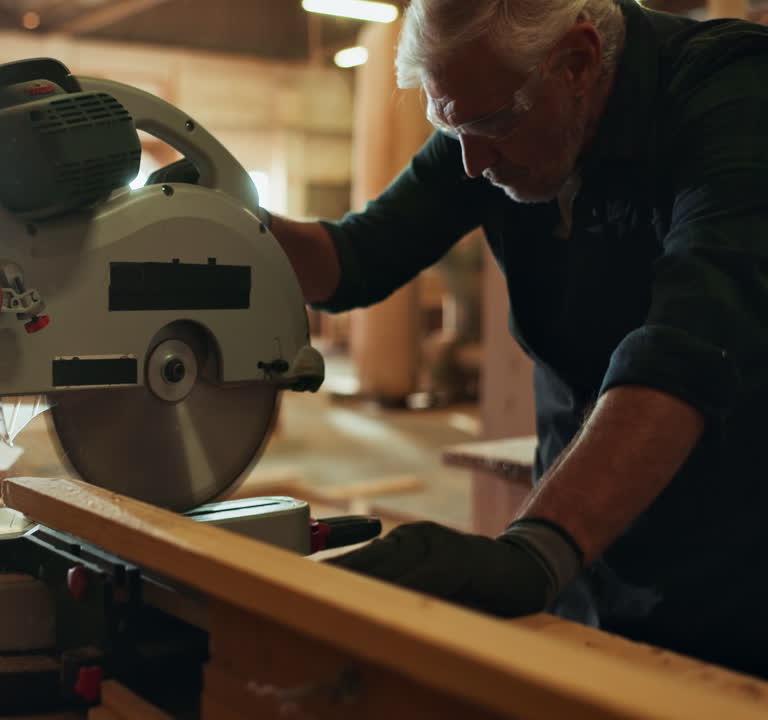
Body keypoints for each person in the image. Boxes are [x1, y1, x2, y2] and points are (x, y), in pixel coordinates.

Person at [266, 0, 768, 678]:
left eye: (491, 125)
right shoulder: (496, 106)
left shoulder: (731, 91)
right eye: (452, 127)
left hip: (735, 572)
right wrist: (219, 222)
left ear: (578, 61)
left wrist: (535, 550)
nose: (470, 164)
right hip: (582, 547)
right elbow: (353, 259)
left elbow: (693, 340)